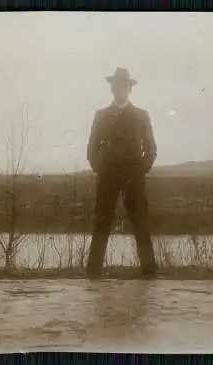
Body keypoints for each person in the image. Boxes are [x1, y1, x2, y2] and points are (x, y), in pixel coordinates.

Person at [86, 67, 158, 279]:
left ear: (130, 89)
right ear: (112, 88)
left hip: (134, 175)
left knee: (141, 222)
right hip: (108, 175)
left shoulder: (141, 116)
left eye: (124, 86)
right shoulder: (101, 115)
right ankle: (93, 272)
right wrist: (100, 168)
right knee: (102, 221)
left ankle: (149, 272)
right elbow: (91, 148)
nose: (121, 90)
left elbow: (151, 148)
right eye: (117, 86)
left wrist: (140, 169)